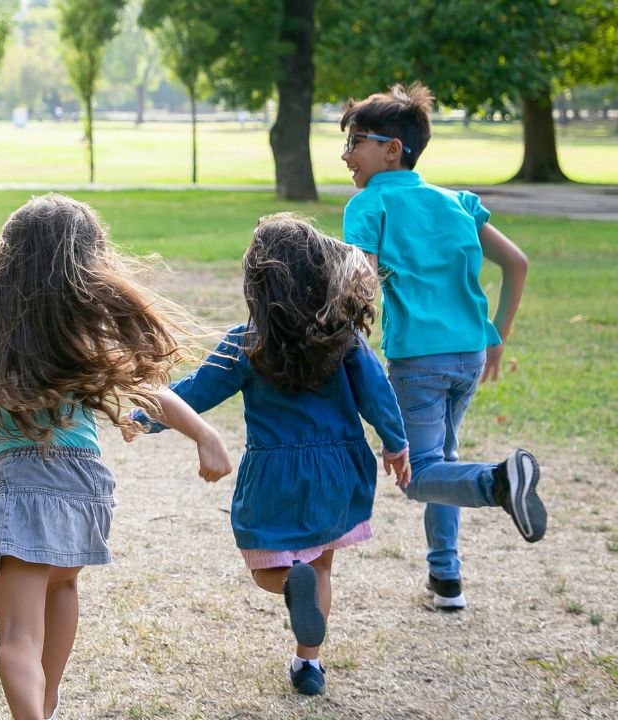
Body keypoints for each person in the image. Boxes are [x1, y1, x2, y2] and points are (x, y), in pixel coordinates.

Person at [0, 194, 232, 720]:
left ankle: (34, 713)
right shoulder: (86, 335)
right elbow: (152, 389)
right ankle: (47, 700)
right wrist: (204, 434)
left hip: (21, 485)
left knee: (17, 638)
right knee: (63, 584)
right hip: (85, 484)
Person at [127, 214, 411, 696]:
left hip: (275, 472)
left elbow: (198, 390)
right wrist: (396, 443)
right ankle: (309, 664)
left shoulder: (247, 340)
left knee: (267, 565)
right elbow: (377, 393)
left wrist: (146, 416)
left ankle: (287, 586)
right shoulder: (342, 336)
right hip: (338, 468)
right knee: (320, 562)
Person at [340, 82, 545, 611]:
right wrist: (497, 336)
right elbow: (517, 264)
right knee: (441, 462)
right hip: (471, 354)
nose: (346, 154)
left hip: (419, 360)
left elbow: (358, 286)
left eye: (356, 141)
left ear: (392, 149)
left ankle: (499, 482)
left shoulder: (368, 204)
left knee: (419, 475)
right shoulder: (457, 202)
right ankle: (446, 580)